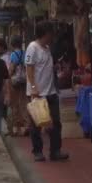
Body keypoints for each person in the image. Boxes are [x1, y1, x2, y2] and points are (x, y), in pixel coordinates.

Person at [25, 21, 69, 162]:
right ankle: (38, 151)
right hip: (38, 94)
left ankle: (55, 151)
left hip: (51, 92)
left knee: (55, 123)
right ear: (45, 33)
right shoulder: (33, 47)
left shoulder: (47, 48)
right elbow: (29, 68)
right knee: (37, 124)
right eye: (51, 33)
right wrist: (33, 87)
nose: (52, 36)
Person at [8, 36, 29, 136]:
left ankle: (17, 128)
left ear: (12, 45)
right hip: (25, 80)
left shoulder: (13, 54)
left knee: (15, 104)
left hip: (15, 82)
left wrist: (8, 77)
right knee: (24, 103)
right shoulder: (25, 53)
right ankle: (27, 126)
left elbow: (11, 69)